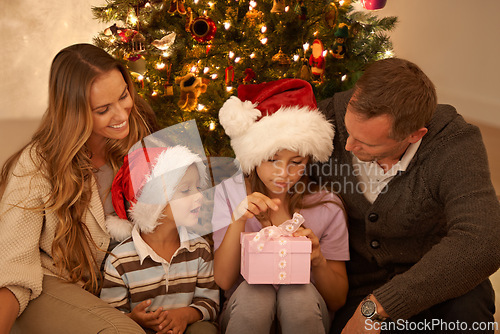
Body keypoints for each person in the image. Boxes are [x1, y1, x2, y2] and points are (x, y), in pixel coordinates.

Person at [314, 58, 500, 333]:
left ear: (414, 135)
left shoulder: (453, 143)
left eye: (366, 143)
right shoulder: (325, 116)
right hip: (358, 288)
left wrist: (378, 307)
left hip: (443, 286)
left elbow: (485, 240)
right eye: (348, 130)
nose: (348, 145)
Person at [0, 43, 158, 333]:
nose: (121, 113)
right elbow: (13, 267)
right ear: (73, 112)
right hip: (51, 283)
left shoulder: (140, 129)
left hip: (122, 286)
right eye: (102, 109)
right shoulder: (36, 164)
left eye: (123, 95)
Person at [212, 78, 350, 334]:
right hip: (244, 309)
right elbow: (223, 280)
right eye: (272, 160)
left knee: (297, 295)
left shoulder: (326, 206)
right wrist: (238, 221)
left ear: (309, 159)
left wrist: (318, 260)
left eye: (296, 162)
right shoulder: (229, 193)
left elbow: (337, 299)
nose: (283, 173)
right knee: (257, 294)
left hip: (308, 310)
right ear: (253, 156)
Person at [100, 145, 219, 334]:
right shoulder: (119, 260)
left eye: (198, 187)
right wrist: (134, 319)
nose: (199, 196)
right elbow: (108, 317)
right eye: (185, 190)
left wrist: (184, 315)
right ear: (153, 201)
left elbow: (211, 304)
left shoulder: (199, 250)